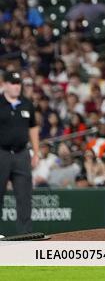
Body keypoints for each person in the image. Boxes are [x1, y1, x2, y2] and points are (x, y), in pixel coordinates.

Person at [0, 70, 41, 234]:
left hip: (22, 154)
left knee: (24, 196)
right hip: (1, 153)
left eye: (18, 84)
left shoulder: (26, 104)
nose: (17, 87)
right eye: (13, 83)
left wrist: (36, 152)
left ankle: (25, 234)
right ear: (5, 85)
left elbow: (33, 128)